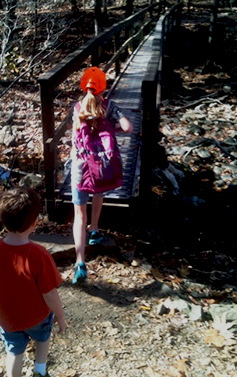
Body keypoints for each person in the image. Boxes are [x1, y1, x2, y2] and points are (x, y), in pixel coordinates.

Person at [0, 187, 66, 377]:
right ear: (34, 224)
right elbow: (49, 293)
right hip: (37, 317)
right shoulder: (39, 254)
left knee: (14, 352)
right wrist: (60, 315)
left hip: (7, 317)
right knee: (42, 339)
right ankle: (40, 372)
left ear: (3, 220)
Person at [69, 67, 133, 285]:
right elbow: (128, 128)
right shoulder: (110, 106)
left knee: (79, 214)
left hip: (81, 168)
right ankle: (95, 230)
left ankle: (80, 262)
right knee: (99, 193)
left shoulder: (77, 108)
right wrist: (113, 125)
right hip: (102, 167)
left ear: (83, 85)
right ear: (103, 87)